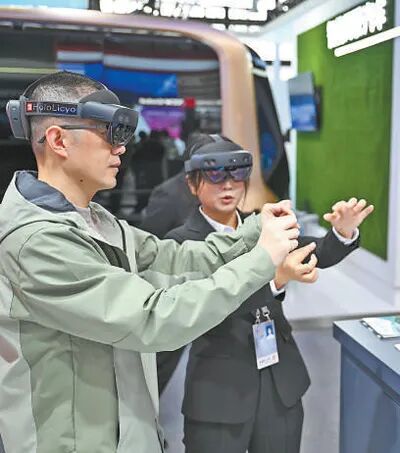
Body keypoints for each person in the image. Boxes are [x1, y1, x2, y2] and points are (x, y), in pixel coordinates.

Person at [0, 71, 300, 453]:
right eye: (109, 132)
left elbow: (176, 258)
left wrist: (255, 227)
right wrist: (262, 260)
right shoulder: (36, 242)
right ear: (59, 140)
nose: (121, 148)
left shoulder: (96, 220)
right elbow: (154, 319)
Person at [159, 133, 374, 453]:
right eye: (214, 174)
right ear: (192, 184)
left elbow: (316, 252)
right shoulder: (179, 244)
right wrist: (275, 281)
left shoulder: (263, 223)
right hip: (219, 391)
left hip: (280, 382)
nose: (228, 185)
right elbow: (200, 305)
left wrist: (343, 231)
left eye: (236, 173)